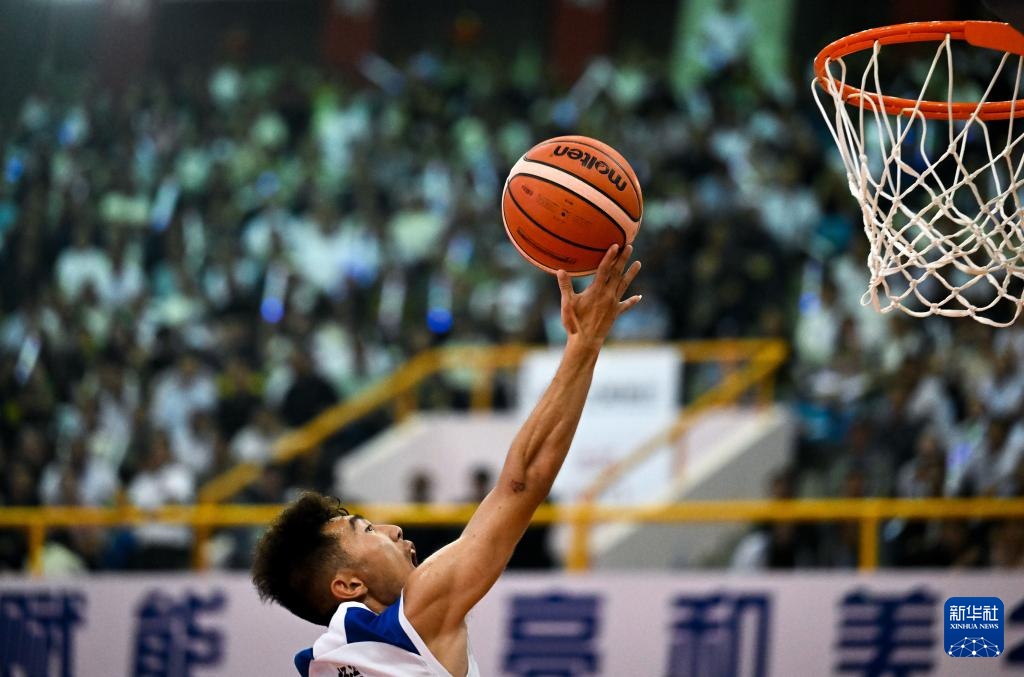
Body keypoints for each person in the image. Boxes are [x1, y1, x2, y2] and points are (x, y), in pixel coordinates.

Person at [252, 244, 642, 677]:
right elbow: (521, 484)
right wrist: (584, 343)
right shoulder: (411, 621)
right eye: (367, 530)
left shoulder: (321, 663)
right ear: (349, 585)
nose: (393, 529)